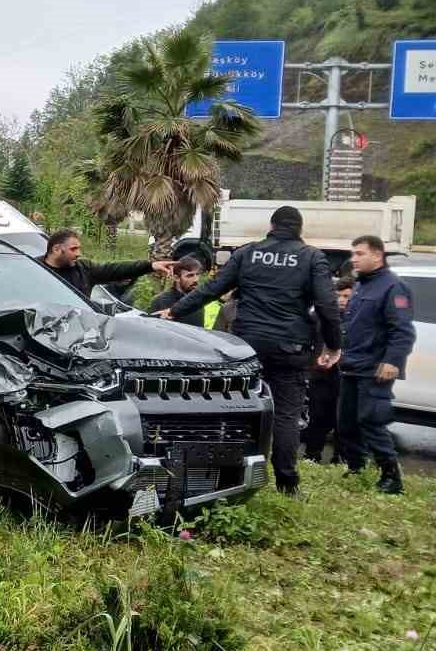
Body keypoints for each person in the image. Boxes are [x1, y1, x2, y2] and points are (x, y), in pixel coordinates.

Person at [159, 206, 342, 494]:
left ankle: (227, 476)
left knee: (237, 408)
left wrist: (175, 310)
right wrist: (334, 345)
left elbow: (212, 289)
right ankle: (286, 483)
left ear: (271, 226)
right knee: (285, 415)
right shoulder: (312, 257)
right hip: (289, 348)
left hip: (246, 348)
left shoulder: (248, 253)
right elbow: (327, 306)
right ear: (299, 229)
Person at [336, 235, 416, 494]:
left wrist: (392, 361)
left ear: (377, 256)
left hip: (374, 368)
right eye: (353, 253)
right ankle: (357, 467)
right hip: (352, 365)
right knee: (347, 422)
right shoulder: (361, 286)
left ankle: (391, 476)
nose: (353, 258)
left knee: (371, 421)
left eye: (360, 254)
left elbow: (402, 331)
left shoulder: (393, 287)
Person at [302, 279, 354, 465]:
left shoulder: (357, 319)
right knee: (317, 417)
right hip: (320, 375)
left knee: (343, 420)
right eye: (338, 295)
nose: (341, 300)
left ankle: (340, 459)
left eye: (346, 296)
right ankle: (311, 455)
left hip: (346, 376)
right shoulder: (318, 316)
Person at [40, 228, 173, 298]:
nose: (78, 254)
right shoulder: (33, 269)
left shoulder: (83, 269)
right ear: (56, 249)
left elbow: (113, 269)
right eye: (73, 249)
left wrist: (150, 266)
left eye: (79, 248)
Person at [148, 258, 208, 326]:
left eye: (197, 274)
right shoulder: (161, 301)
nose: (196, 280)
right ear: (176, 278)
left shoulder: (198, 301)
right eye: (190, 275)